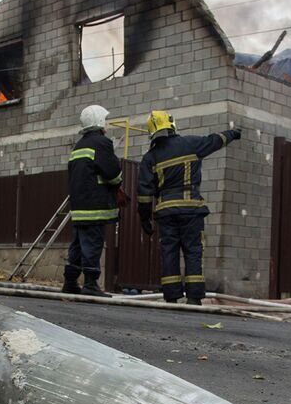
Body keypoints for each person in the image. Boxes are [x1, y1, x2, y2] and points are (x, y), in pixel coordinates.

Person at [137, 111, 240, 305]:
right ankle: (194, 298)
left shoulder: (150, 158)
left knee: (169, 251)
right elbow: (215, 141)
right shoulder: (190, 144)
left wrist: (144, 218)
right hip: (191, 210)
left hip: (166, 213)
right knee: (193, 251)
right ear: (172, 125)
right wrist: (233, 133)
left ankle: (171, 296)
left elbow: (143, 193)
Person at [63, 105, 126, 296]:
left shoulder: (79, 145)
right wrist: (118, 182)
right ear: (99, 122)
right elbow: (112, 173)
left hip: (79, 206)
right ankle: (91, 284)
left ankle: (70, 282)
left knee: (77, 244)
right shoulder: (102, 143)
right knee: (92, 243)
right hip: (95, 205)